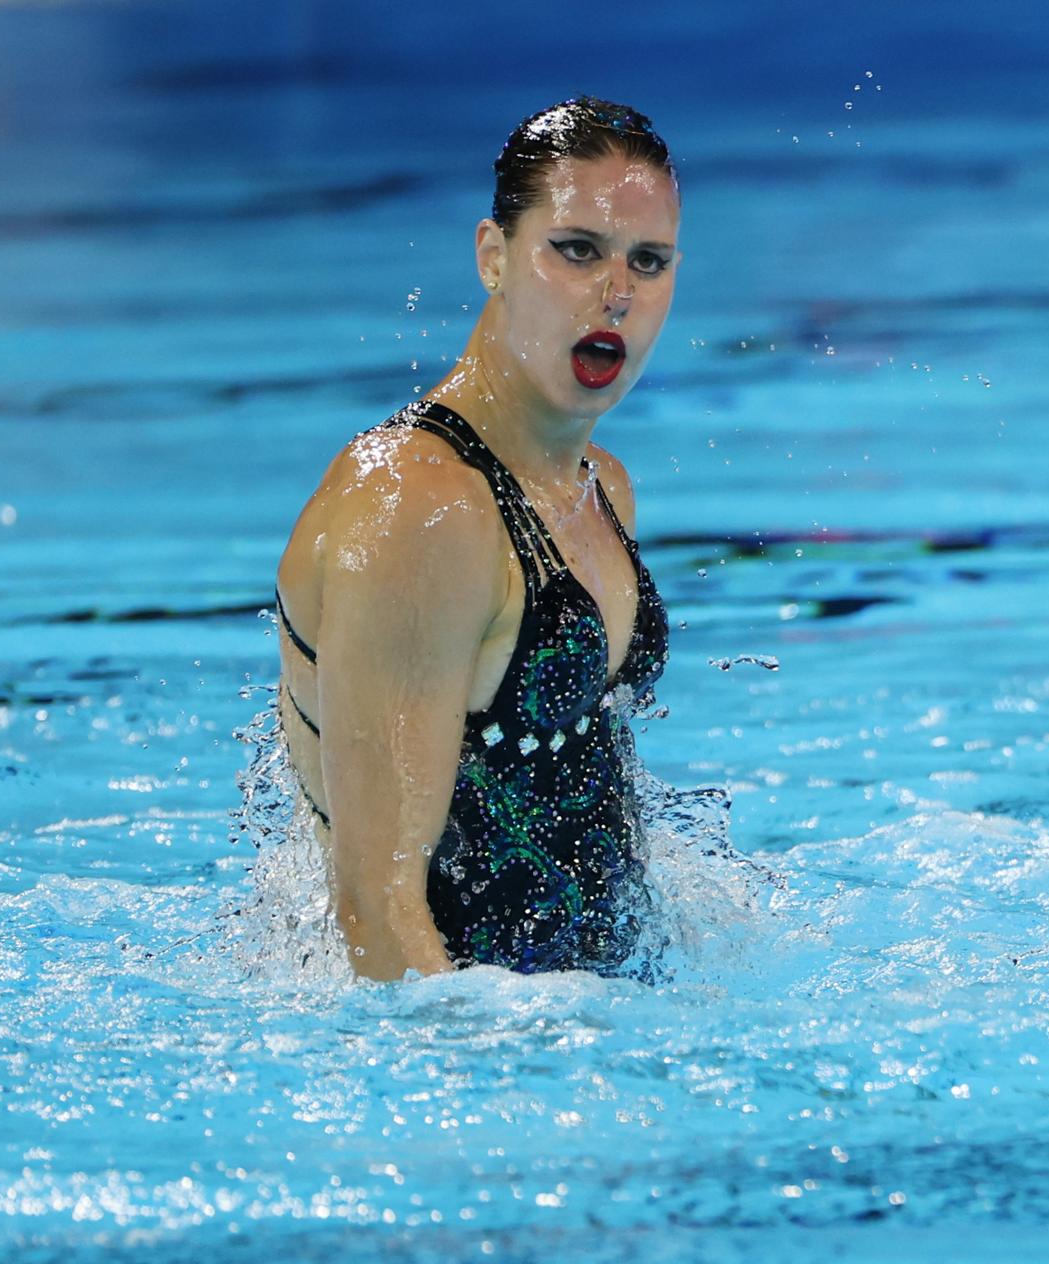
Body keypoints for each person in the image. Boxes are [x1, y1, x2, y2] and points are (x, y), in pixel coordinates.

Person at [273, 98, 679, 979]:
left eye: (649, 261)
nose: (618, 292)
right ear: (494, 257)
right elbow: (376, 907)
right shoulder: (422, 507)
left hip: (587, 1027)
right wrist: (490, 1093)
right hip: (467, 1054)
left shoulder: (600, 489)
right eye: (577, 250)